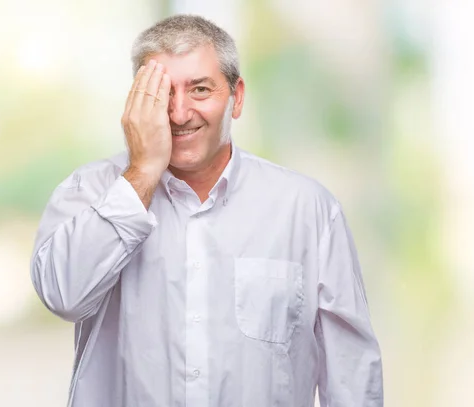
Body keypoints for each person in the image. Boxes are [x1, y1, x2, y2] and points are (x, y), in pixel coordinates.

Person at [30, 14, 383, 407]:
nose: (179, 114)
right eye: (162, 93)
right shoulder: (88, 190)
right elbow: (64, 297)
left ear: (237, 97)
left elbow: (352, 374)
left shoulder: (308, 209)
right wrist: (143, 172)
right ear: (135, 102)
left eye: (200, 89)